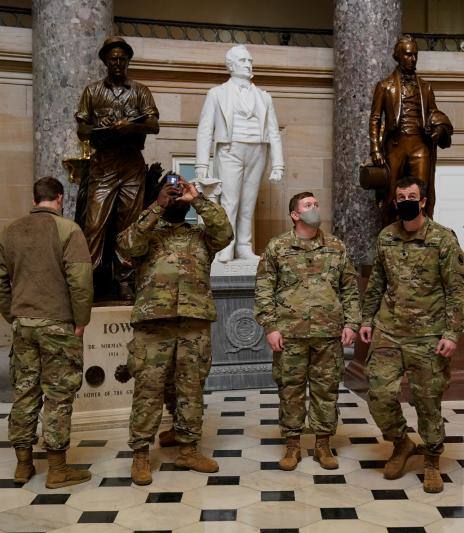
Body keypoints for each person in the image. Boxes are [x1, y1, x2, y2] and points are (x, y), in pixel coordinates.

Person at [117, 174, 233, 485]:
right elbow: (127, 245)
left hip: (193, 324)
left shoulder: (200, 236)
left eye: (178, 192)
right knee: (149, 389)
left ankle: (188, 448)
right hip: (153, 325)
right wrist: (157, 206)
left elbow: (225, 232)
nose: (174, 196)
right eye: (171, 193)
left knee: (191, 388)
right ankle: (140, 453)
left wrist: (198, 200)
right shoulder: (147, 233)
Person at [359, 176, 464, 493]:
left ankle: (432, 460)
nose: (406, 200)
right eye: (401, 196)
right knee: (379, 395)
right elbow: (377, 282)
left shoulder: (442, 240)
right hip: (388, 331)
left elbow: (456, 292)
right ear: (395, 201)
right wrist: (367, 319)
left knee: (428, 402)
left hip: (428, 336)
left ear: (422, 201)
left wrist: (452, 332)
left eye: (412, 196)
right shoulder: (386, 237)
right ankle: (401, 442)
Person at [0, 177, 93, 489]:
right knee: (58, 395)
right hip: (59, 324)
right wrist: (81, 319)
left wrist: (14, 314)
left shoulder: (10, 231)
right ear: (59, 198)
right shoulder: (68, 230)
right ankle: (58, 469)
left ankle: (23, 465)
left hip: (24, 325)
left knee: (24, 390)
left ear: (35, 199)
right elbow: (80, 279)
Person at [254, 192, 361, 471]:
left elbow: (350, 288)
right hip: (290, 334)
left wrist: (351, 323)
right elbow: (264, 289)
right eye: (308, 205)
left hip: (328, 334)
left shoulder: (336, 246)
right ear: (295, 214)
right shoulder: (278, 247)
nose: (314, 208)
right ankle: (292, 446)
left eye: (316, 203)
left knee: (326, 391)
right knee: (290, 391)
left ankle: (323, 445)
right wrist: (271, 326)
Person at [75, 36, 160, 298]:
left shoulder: (140, 90)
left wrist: (131, 126)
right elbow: (82, 129)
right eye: (113, 59)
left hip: (132, 163)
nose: (118, 63)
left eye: (123, 59)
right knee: (94, 222)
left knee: (129, 223)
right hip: (103, 164)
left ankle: (126, 280)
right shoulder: (92, 91)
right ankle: (89, 280)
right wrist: (103, 129)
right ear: (105, 61)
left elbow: (154, 124)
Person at [195, 44, 284, 263]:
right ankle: (226, 244)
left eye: (249, 61)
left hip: (258, 150)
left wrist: (278, 164)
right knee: (230, 200)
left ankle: (244, 245)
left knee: (248, 201)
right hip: (230, 149)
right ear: (231, 66)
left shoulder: (264, 97)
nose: (248, 64)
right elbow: (205, 130)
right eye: (243, 61)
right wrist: (202, 166)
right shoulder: (217, 94)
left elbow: (274, 131)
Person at [369, 35, 452, 222]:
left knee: (422, 192)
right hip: (396, 145)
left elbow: (434, 114)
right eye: (407, 55)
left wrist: (439, 130)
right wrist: (375, 149)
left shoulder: (426, 87)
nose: (412, 59)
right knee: (391, 193)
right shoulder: (384, 86)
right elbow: (374, 118)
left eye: (415, 55)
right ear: (398, 56)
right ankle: (389, 233)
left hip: (420, 145)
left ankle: (423, 234)